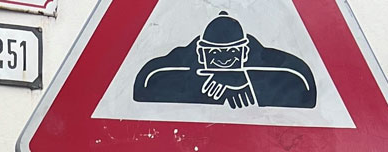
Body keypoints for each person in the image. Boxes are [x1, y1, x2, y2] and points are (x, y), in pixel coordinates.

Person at [134, 13, 317, 109]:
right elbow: (147, 82)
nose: (224, 58)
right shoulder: (179, 62)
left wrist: (251, 84)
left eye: (232, 51)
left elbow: (304, 85)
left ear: (244, 52)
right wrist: (194, 88)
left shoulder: (270, 61)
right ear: (200, 53)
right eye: (214, 52)